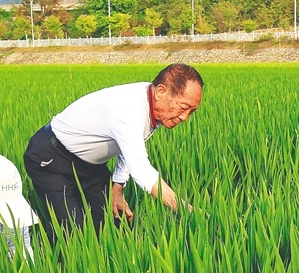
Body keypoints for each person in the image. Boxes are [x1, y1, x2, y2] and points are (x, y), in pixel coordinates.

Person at [23, 63, 203, 234]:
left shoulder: (154, 103)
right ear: (161, 91)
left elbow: (130, 146)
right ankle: (61, 264)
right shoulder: (129, 110)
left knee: (113, 222)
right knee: (72, 234)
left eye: (191, 111)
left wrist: (117, 188)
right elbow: (141, 171)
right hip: (51, 158)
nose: (184, 117)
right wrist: (186, 210)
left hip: (89, 166)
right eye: (184, 108)